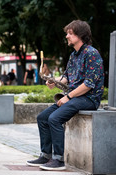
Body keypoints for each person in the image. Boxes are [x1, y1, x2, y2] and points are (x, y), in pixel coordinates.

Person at [26, 20, 104, 171]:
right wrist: (54, 82)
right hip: (75, 97)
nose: (67, 36)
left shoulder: (92, 54)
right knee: (42, 118)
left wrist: (68, 97)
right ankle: (46, 155)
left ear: (80, 35)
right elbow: (66, 77)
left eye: (70, 33)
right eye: (67, 33)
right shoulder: (73, 55)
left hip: (89, 99)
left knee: (54, 118)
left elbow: (88, 84)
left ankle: (59, 160)